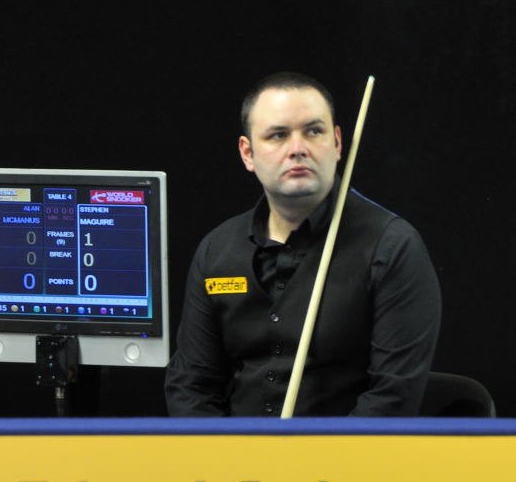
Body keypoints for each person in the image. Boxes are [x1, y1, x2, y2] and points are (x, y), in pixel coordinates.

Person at [164, 72, 440, 416]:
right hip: (234, 464)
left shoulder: (393, 248)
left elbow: (391, 400)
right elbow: (191, 386)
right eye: (278, 135)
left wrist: (307, 469)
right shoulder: (216, 251)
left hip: (343, 465)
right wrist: (228, 463)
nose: (298, 149)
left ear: (338, 143)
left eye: (313, 131)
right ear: (248, 153)